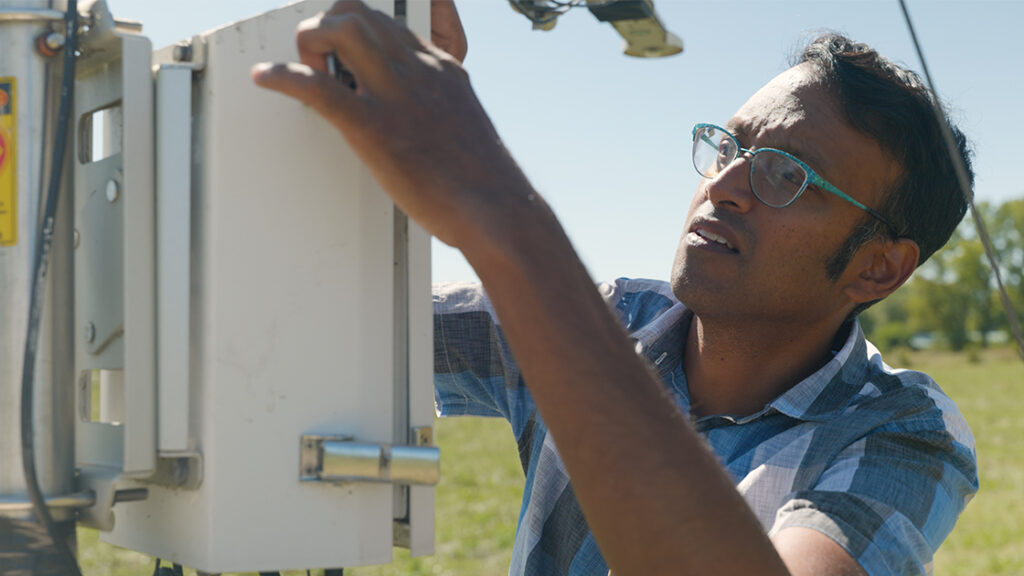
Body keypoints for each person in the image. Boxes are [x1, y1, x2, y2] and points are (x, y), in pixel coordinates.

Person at [251, 2, 978, 574]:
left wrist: (502, 214)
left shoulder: (904, 430)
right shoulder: (609, 319)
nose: (721, 186)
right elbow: (322, 319)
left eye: (787, 176)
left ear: (878, 268)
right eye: (731, 146)